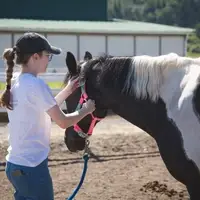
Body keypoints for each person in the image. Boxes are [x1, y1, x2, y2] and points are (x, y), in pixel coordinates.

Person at [0, 32, 95, 200]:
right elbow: (63, 122)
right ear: (35, 57)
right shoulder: (36, 84)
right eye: (47, 56)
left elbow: (45, 108)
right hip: (33, 167)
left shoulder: (18, 82)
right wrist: (86, 110)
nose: (48, 60)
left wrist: (67, 90)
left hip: (15, 165)